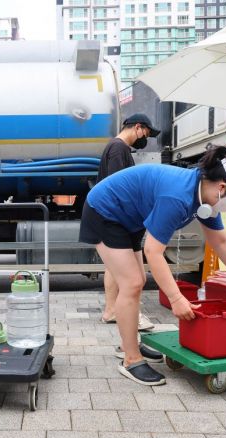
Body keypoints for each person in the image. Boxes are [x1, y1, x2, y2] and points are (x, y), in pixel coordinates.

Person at [79, 145, 226, 386]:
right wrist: (176, 299)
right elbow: (153, 252)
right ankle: (131, 359)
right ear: (222, 188)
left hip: (129, 217)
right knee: (132, 283)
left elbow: (220, 240)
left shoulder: (206, 199)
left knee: (137, 282)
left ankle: (128, 344)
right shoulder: (177, 196)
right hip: (105, 211)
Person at [97, 114, 158, 333]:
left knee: (114, 266)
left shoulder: (116, 148)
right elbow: (118, 186)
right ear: (138, 127)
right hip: (118, 217)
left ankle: (111, 311)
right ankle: (124, 312)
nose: (146, 139)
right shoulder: (119, 149)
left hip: (114, 216)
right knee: (129, 271)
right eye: (147, 134)